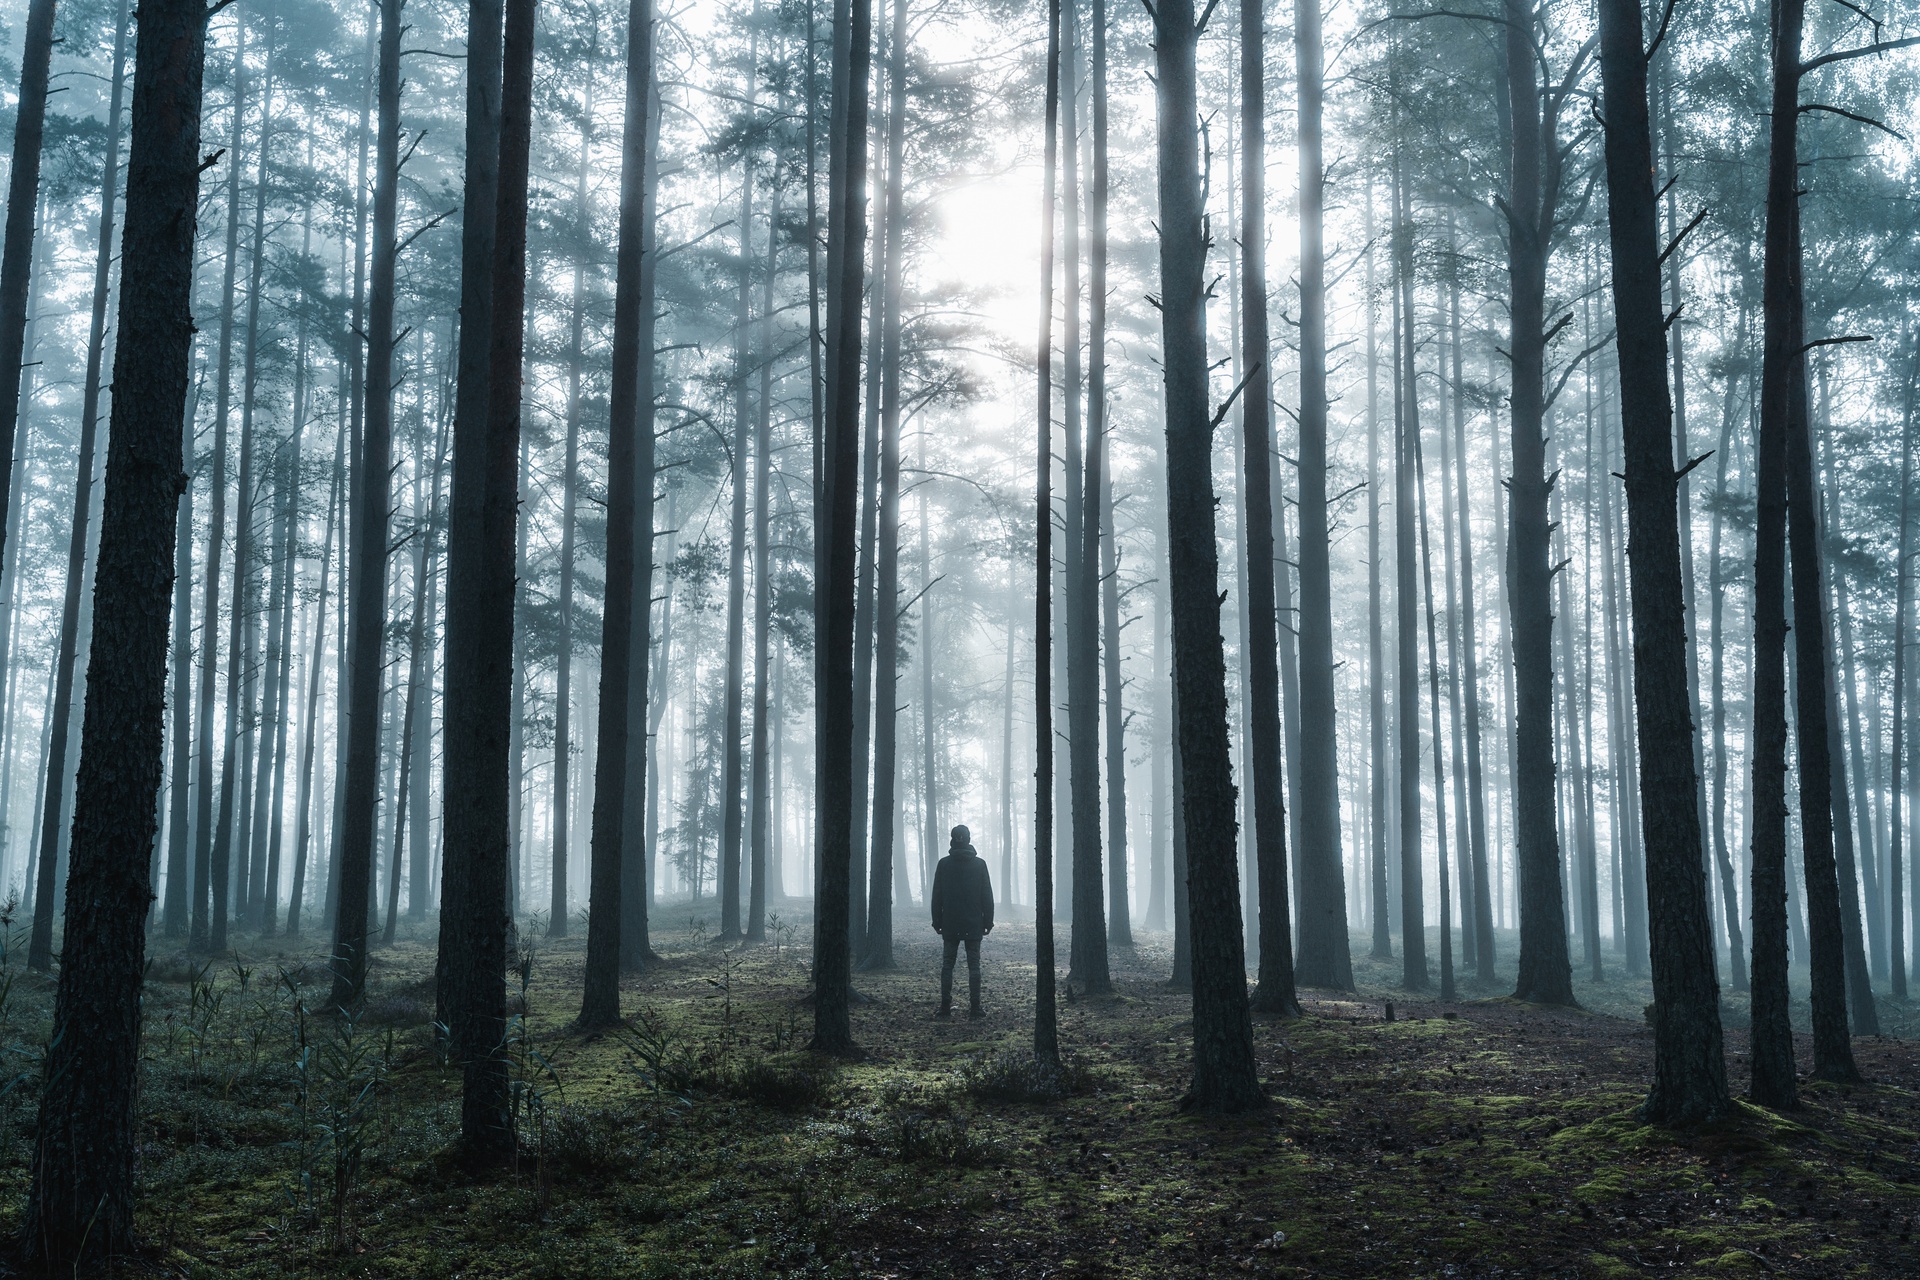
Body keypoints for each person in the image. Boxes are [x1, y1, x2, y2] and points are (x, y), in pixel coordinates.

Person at [930, 824, 994, 1019]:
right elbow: (987, 896)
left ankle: (945, 1007)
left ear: (953, 839)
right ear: (968, 839)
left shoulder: (944, 864)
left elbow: (937, 896)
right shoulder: (979, 864)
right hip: (974, 923)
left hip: (950, 922)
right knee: (974, 966)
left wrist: (937, 921)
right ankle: (975, 1008)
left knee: (947, 965)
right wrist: (988, 922)